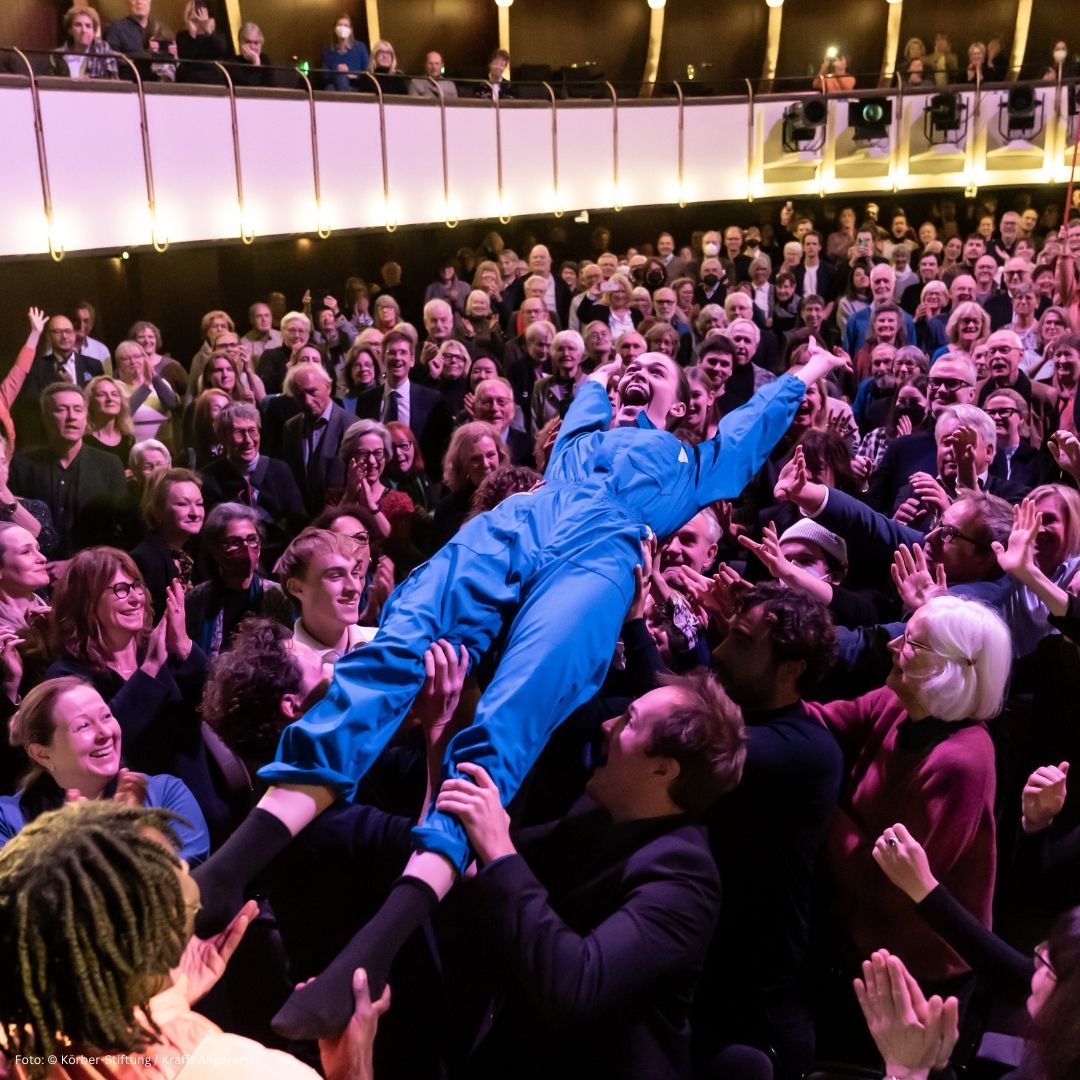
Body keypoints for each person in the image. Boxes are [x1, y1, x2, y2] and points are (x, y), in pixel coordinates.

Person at [191, 345, 848, 1039]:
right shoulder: (583, 431)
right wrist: (600, 377)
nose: (638, 374)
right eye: (632, 367)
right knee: (392, 652)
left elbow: (747, 431)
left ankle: (372, 953)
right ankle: (229, 870)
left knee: (510, 720)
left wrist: (804, 374)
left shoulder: (690, 463)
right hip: (523, 522)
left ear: (680, 404)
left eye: (657, 371)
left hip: (605, 551)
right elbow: (591, 392)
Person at [0, 800, 385, 1080]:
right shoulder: (248, 1071)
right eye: (175, 866)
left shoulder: (22, 1044)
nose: (186, 870)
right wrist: (352, 1069)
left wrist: (167, 1001)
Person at [805, 595, 1010, 986]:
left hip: (915, 971)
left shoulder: (960, 763)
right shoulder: (900, 702)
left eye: (911, 644)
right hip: (865, 939)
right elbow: (819, 722)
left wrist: (820, 800)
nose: (893, 645)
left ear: (950, 669)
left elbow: (888, 885)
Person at [1, 677, 208, 862]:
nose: (105, 732)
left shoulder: (165, 793)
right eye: (83, 726)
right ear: (42, 754)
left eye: (106, 716)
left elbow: (190, 878)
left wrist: (136, 831)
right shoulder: (8, 819)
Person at [9, 384, 126, 558]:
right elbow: (13, 528)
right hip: (37, 567)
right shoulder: (22, 465)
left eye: (78, 410)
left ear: (85, 417)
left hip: (93, 568)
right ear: (45, 418)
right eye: (62, 410)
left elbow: (120, 528)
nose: (71, 417)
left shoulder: (109, 464)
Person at [184, 503, 293, 660]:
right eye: (234, 542)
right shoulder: (198, 599)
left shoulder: (278, 596)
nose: (246, 548)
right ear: (215, 550)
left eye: (252, 539)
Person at [278, 528, 373, 660]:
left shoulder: (384, 644)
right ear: (297, 588)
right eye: (335, 576)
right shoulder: (284, 667)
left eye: (355, 573)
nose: (353, 587)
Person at [131, 468, 204, 619]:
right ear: (158, 510)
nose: (195, 513)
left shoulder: (193, 553)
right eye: (183, 504)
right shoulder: (144, 559)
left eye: (199, 504)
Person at [50, 5, 118, 79]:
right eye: (78, 25)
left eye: (88, 26)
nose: (84, 30)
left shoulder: (103, 50)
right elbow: (49, 85)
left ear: (94, 31)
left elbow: (114, 82)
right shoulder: (57, 56)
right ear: (70, 30)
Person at [322, 14, 369, 92]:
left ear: (351, 30)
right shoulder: (328, 51)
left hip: (355, 86)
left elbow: (367, 72)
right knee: (331, 87)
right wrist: (337, 72)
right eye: (340, 25)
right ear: (335, 29)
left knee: (341, 78)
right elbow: (325, 77)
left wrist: (350, 74)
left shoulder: (360, 47)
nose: (342, 28)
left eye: (346, 26)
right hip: (333, 86)